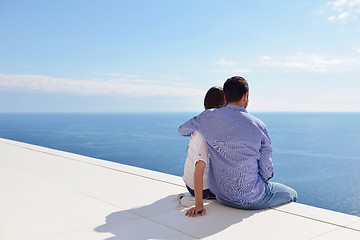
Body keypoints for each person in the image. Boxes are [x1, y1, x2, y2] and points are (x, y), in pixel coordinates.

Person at [179, 76, 297, 217]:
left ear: (225, 96)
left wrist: (206, 128)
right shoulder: (257, 125)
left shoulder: (207, 118)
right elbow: (266, 169)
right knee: (292, 194)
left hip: (222, 197)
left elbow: (182, 130)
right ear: (245, 96)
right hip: (252, 198)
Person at [181, 86, 226, 217]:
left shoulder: (202, 124)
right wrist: (199, 204)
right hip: (201, 190)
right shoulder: (205, 132)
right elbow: (199, 168)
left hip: (193, 185)